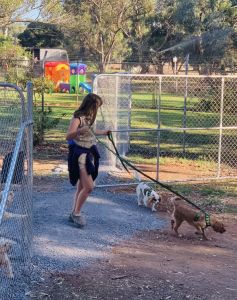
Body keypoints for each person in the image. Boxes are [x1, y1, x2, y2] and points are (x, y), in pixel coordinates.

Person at [66, 93, 110, 228]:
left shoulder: (89, 117)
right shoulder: (77, 118)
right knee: (89, 187)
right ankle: (76, 214)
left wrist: (103, 132)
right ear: (90, 105)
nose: (98, 109)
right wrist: (79, 132)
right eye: (97, 106)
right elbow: (68, 136)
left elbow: (90, 130)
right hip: (81, 155)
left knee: (82, 186)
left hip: (89, 153)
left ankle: (74, 212)